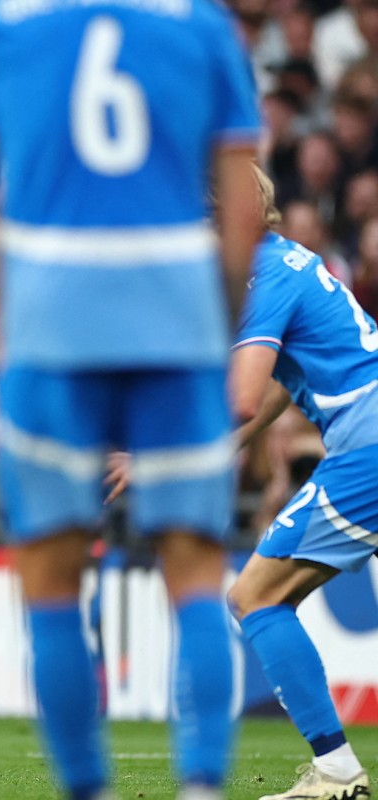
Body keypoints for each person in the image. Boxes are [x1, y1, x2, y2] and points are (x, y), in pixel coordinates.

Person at [0, 4, 262, 800]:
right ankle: (204, 786)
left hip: (50, 319)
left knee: (50, 581)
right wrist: (207, 317)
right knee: (195, 575)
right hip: (175, 314)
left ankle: (88, 789)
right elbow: (245, 204)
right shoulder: (204, 23)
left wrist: (7, 317)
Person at [228, 167, 374, 800]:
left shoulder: (264, 277)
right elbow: (283, 387)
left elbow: (240, 396)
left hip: (368, 448)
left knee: (255, 595)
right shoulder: (290, 261)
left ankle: (337, 772)